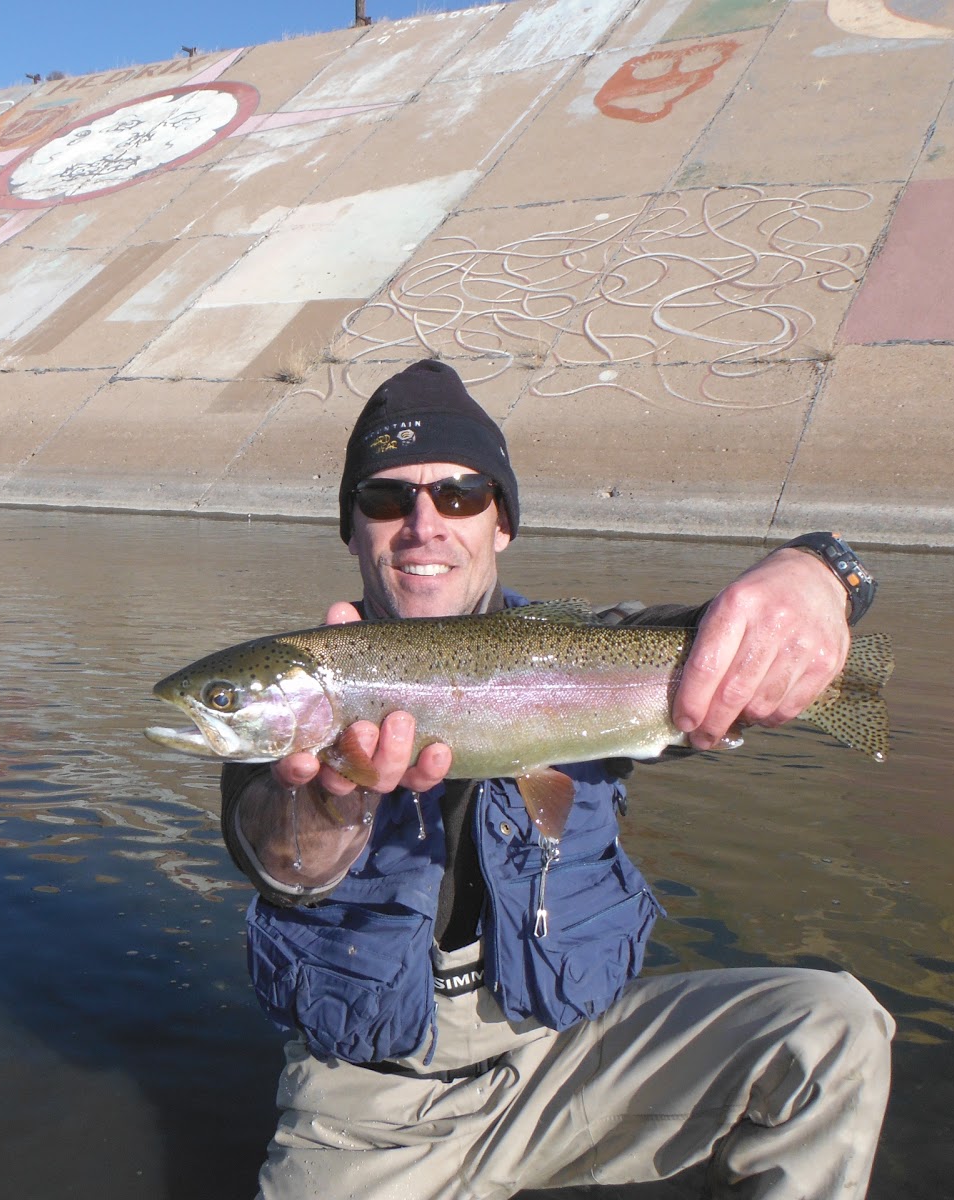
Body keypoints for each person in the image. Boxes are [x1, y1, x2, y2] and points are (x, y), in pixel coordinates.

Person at [219, 359, 895, 1199]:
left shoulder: (588, 648)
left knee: (833, 1025)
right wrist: (327, 800)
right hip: (373, 1102)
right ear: (352, 528)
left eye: (462, 495)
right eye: (387, 499)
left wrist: (822, 572)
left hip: (574, 1050)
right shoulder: (293, 697)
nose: (423, 524)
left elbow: (749, 625)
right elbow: (277, 854)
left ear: (503, 523)